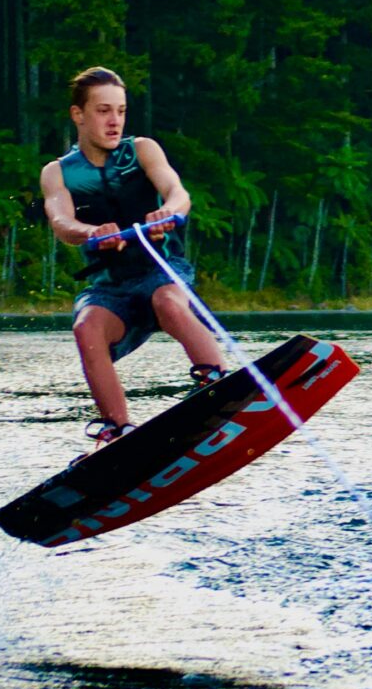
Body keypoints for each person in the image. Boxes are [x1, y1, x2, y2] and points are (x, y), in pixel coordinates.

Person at [39, 66, 229, 450]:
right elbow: (61, 221)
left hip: (162, 271)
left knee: (167, 302)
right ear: (79, 115)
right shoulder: (58, 172)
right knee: (86, 327)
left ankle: (218, 384)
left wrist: (168, 213)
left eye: (121, 111)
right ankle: (118, 431)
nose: (115, 121)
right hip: (112, 289)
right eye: (103, 111)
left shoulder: (142, 150)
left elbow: (177, 191)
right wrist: (90, 233)